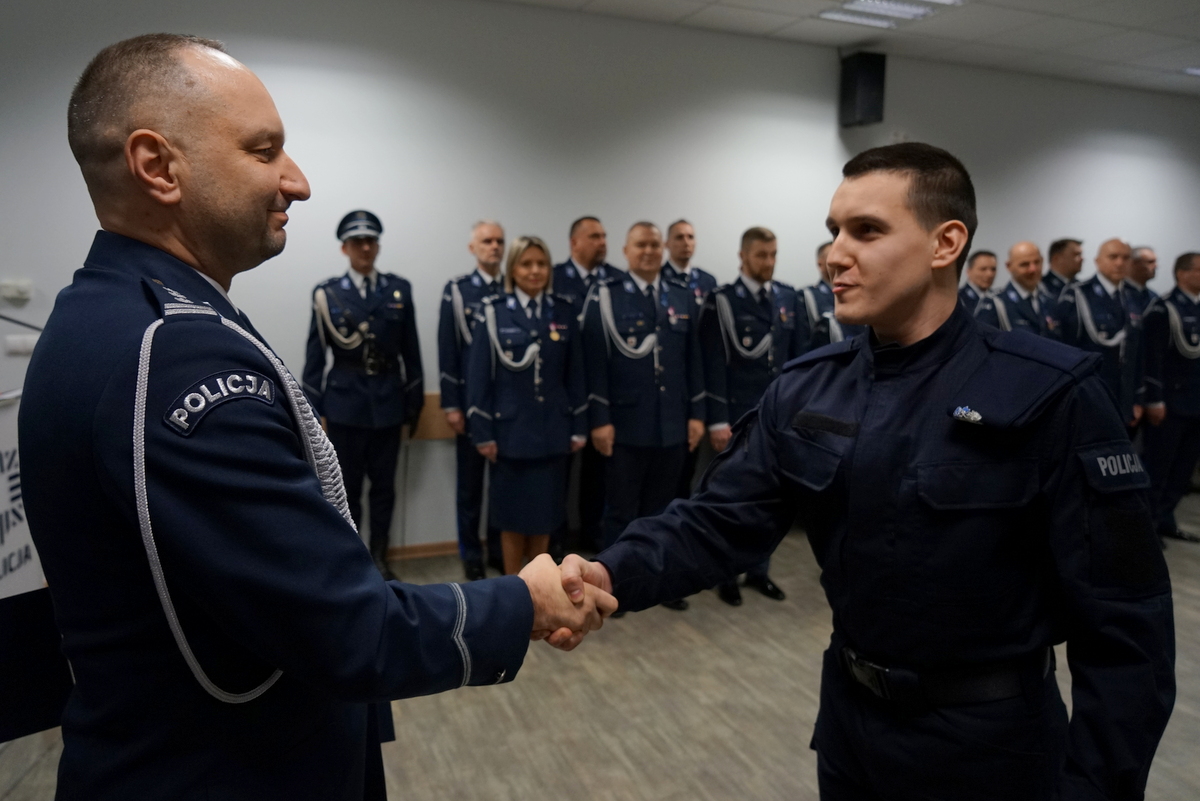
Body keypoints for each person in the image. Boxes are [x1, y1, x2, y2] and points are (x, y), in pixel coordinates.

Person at [22, 34, 614, 801]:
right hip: (227, 772)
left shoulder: (111, 315)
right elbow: (346, 627)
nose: (296, 182)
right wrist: (521, 600)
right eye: (263, 150)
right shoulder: (174, 354)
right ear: (158, 166)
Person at [561, 143, 1174, 799]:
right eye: (834, 232)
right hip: (852, 738)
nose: (836, 254)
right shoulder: (808, 389)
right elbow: (717, 522)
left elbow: (1127, 630)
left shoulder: (1048, 393)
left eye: (867, 230)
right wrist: (607, 573)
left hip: (991, 750)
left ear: (945, 243)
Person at [581, 221, 705, 611]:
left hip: (671, 424)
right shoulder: (607, 295)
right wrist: (600, 419)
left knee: (664, 512)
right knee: (620, 510)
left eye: (654, 245)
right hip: (625, 425)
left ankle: (656, 584)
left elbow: (693, 361)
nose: (649, 251)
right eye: (641, 245)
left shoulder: (681, 295)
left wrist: (697, 414)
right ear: (626, 251)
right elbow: (594, 364)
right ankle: (612, 588)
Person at [302, 211, 422, 580]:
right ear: (345, 248)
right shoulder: (328, 294)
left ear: (378, 246)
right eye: (357, 242)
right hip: (344, 407)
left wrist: (414, 404)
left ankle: (381, 559)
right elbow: (315, 356)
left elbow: (411, 352)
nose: (365, 248)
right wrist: (311, 412)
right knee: (346, 490)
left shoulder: (398, 290)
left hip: (388, 405)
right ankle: (353, 560)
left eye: (371, 241)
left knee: (384, 489)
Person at [466, 236, 587, 575]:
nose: (535, 271)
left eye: (541, 264)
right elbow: (479, 377)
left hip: (553, 432)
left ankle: (539, 586)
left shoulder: (563, 311)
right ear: (513, 269)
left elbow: (576, 374)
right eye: (526, 264)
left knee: (545, 518)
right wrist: (483, 433)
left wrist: (579, 426)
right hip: (510, 435)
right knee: (511, 520)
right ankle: (513, 587)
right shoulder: (494, 312)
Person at [700, 227, 798, 606]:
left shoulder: (787, 297)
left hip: (776, 415)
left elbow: (796, 361)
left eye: (773, 254)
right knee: (731, 500)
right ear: (743, 256)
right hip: (737, 416)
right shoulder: (723, 301)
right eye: (761, 255)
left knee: (770, 499)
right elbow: (714, 364)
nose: (769, 262)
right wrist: (717, 419)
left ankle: (759, 571)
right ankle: (726, 574)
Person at [438, 221, 506, 579]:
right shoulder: (458, 290)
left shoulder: (513, 288)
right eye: (487, 241)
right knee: (470, 487)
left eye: (499, 241)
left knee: (502, 485)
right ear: (473, 248)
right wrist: (451, 404)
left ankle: (498, 548)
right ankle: (471, 554)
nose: (494, 247)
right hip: (470, 404)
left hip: (506, 406)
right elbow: (448, 349)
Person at [554, 216, 625, 553]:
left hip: (604, 389)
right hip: (564, 389)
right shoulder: (554, 278)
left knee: (599, 472)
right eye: (594, 236)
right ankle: (556, 539)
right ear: (575, 243)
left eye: (604, 235)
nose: (602, 242)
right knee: (560, 472)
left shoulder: (617, 280)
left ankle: (591, 534)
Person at [1050, 238, 1144, 429]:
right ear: (1097, 261)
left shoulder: (1133, 297)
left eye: (1125, 258)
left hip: (1124, 399)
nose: (1119, 263)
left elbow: (1138, 352)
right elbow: (1064, 349)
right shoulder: (1078, 295)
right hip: (1089, 396)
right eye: (1113, 257)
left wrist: (1138, 398)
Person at [1142, 251, 1200, 545]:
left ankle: (1166, 518)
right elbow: (1152, 359)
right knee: (1159, 467)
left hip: (1196, 403)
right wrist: (1154, 399)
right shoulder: (1163, 308)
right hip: (1170, 404)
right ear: (1182, 273)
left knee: (1183, 470)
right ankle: (1148, 526)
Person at [663, 218, 718, 500]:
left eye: (690, 237)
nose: (686, 243)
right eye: (679, 237)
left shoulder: (707, 281)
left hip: (701, 376)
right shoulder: (659, 277)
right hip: (671, 377)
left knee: (692, 467)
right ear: (667, 243)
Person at [801, 241, 864, 351]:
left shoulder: (856, 292)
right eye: (832, 255)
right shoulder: (808, 295)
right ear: (820, 264)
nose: (838, 261)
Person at [998, 241, 1053, 335]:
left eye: (1037, 262)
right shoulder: (998, 303)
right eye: (1025, 264)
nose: (1033, 269)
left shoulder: (1050, 300)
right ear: (1009, 266)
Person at [958, 250, 1006, 329]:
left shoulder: (998, 298)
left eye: (993, 269)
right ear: (968, 271)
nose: (989, 274)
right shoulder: (958, 298)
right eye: (983, 269)